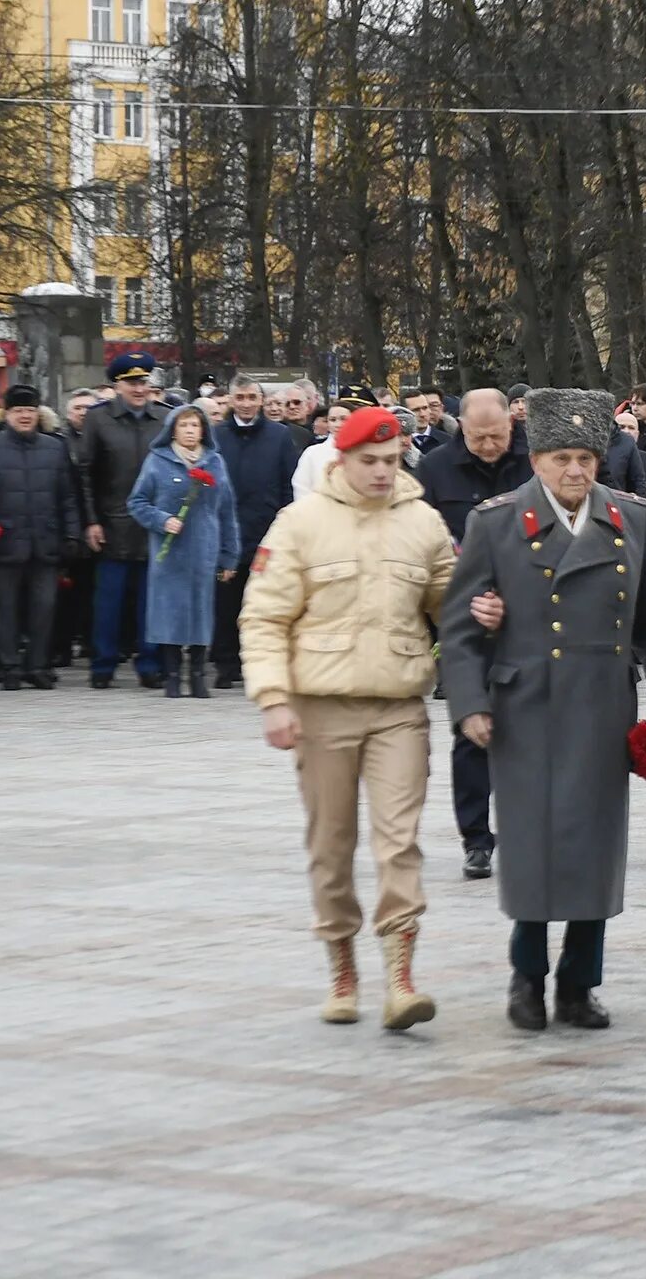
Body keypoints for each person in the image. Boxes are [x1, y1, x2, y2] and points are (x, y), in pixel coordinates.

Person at [440, 388, 646, 1031]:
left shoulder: (632, 517)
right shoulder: (495, 522)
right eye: (560, 459)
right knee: (530, 847)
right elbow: (460, 627)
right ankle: (527, 977)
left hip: (602, 705)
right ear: (536, 461)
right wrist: (468, 704)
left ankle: (579, 982)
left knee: (594, 848)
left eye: (585, 457)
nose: (574, 471)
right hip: (522, 708)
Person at [240, 405, 455, 1030]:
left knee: (399, 842)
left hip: (398, 708)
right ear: (341, 460)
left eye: (392, 461)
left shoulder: (424, 523)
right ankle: (341, 966)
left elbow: (453, 605)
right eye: (371, 462)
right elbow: (263, 618)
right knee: (331, 846)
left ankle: (400, 975)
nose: (384, 473)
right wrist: (273, 699)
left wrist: (483, 613)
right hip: (321, 708)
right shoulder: (300, 524)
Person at [419, 388, 533, 880]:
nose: (489, 445)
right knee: (472, 728)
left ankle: (526, 827)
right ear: (460, 425)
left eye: (498, 435)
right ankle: (476, 838)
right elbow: (424, 540)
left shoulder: (535, 460)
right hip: (464, 614)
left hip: (530, 613)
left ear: (513, 423)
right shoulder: (435, 469)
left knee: (530, 728)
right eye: (479, 436)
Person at [0, 385, 80, 690]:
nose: (25, 416)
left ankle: (38, 665)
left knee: (44, 609)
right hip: (5, 544)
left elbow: (67, 497)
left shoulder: (54, 448)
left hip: (45, 542)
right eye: (19, 411)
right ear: (7, 414)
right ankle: (9, 666)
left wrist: (71, 533)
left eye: (30, 411)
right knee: (5, 610)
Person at [125, 405, 240, 697]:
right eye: (184, 425)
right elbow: (137, 502)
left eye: (195, 425)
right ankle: (173, 674)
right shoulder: (157, 461)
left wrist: (229, 554)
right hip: (170, 553)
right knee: (170, 611)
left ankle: (199, 675)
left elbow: (226, 512)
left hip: (204, 549)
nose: (190, 431)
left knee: (201, 611)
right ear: (172, 430)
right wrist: (162, 520)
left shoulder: (215, 462)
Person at [76, 351, 169, 689]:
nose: (139, 388)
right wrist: (91, 521)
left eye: (143, 381)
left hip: (154, 526)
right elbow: (85, 474)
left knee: (150, 601)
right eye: (131, 382)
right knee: (108, 604)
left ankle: (150, 663)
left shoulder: (164, 418)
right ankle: (103, 665)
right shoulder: (98, 420)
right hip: (112, 524)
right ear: (117, 385)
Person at [212, 374, 299, 688]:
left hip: (267, 531)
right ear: (232, 400)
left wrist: (286, 523)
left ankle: (262, 664)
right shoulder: (217, 435)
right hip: (227, 533)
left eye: (252, 397)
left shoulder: (279, 435)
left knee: (264, 603)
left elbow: (289, 483)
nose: (247, 404)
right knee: (226, 603)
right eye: (241, 398)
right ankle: (225, 663)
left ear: (261, 401)